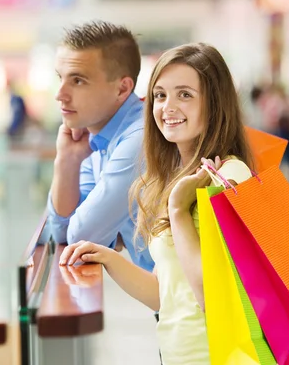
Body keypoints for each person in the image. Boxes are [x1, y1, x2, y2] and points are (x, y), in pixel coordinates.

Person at [59, 43, 256, 364]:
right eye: (160, 95)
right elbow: (168, 295)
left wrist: (178, 211)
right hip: (178, 355)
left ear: (215, 104)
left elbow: (212, 296)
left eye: (185, 95)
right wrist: (107, 258)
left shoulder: (228, 175)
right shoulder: (171, 178)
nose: (168, 107)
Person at [44, 20, 153, 272]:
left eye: (78, 81)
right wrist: (66, 162)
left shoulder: (141, 137)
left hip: (210, 305)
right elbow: (60, 231)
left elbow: (84, 237)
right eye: (60, 78)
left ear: (122, 88)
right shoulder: (95, 138)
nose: (60, 94)